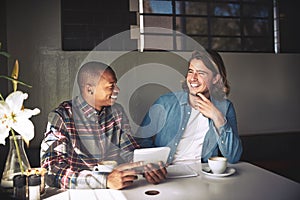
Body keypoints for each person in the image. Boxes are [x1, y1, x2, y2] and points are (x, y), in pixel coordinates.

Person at [40, 61, 167, 190]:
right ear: (89, 89)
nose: (117, 90)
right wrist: (104, 181)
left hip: (116, 192)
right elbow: (51, 171)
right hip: (78, 194)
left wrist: (146, 168)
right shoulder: (61, 116)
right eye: (111, 86)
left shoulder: (117, 112)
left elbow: (128, 151)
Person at [135, 49, 243, 164]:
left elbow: (233, 157)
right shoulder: (165, 103)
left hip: (204, 174)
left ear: (215, 79)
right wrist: (154, 164)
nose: (193, 78)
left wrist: (218, 118)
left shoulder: (225, 107)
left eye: (201, 73)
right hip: (169, 173)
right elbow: (141, 141)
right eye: (191, 71)